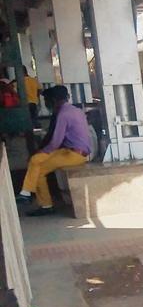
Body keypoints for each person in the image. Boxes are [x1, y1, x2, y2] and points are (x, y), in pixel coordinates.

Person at [16, 85, 93, 216]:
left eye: (47, 101)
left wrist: (42, 151)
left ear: (53, 100)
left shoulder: (63, 114)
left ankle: (36, 199)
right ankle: (27, 193)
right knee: (36, 162)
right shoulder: (75, 110)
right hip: (73, 151)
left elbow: (55, 142)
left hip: (74, 155)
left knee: (37, 164)